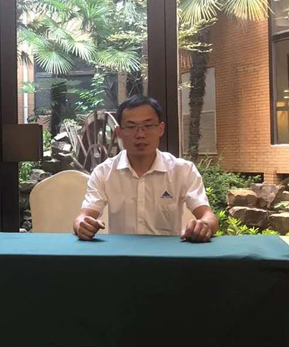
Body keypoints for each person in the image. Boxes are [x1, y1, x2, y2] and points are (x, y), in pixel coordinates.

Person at [73, 95, 218, 243]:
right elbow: (83, 217)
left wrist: (204, 225)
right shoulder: (104, 172)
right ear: (119, 132)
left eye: (148, 126)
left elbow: (208, 216)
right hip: (121, 254)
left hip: (167, 254)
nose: (140, 134)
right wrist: (82, 225)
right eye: (131, 127)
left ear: (160, 129)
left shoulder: (183, 170)